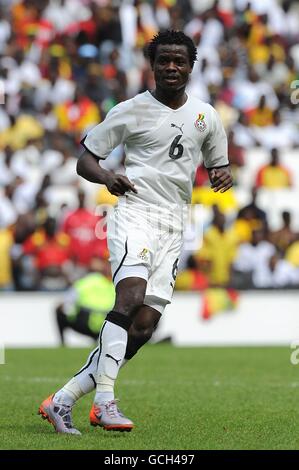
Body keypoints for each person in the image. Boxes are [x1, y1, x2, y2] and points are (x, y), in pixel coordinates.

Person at [38, 30, 232, 435]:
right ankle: (106, 402)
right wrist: (108, 177)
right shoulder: (130, 110)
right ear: (152, 65)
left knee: (143, 326)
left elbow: (217, 162)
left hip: (176, 223)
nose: (172, 67)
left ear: (192, 66)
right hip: (135, 213)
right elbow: (84, 161)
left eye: (180, 61)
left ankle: (64, 399)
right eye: (164, 60)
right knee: (129, 298)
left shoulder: (206, 116)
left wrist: (220, 173)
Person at [56, 257, 115, 345]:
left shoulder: (88, 280)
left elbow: (66, 301)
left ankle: (62, 344)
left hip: (85, 323)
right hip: (107, 326)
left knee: (58, 310)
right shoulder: (119, 285)